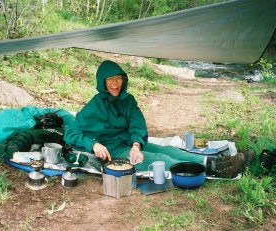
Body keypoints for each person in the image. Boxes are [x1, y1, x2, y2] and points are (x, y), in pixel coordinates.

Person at [64, 60, 248, 178]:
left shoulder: (128, 100)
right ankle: (215, 170)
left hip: (129, 143)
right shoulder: (95, 105)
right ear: (102, 82)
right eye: (110, 79)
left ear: (123, 80)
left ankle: (214, 162)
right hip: (113, 149)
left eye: (118, 78)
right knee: (159, 160)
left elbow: (137, 124)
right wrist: (94, 145)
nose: (114, 83)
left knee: (168, 149)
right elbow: (71, 132)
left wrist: (136, 145)